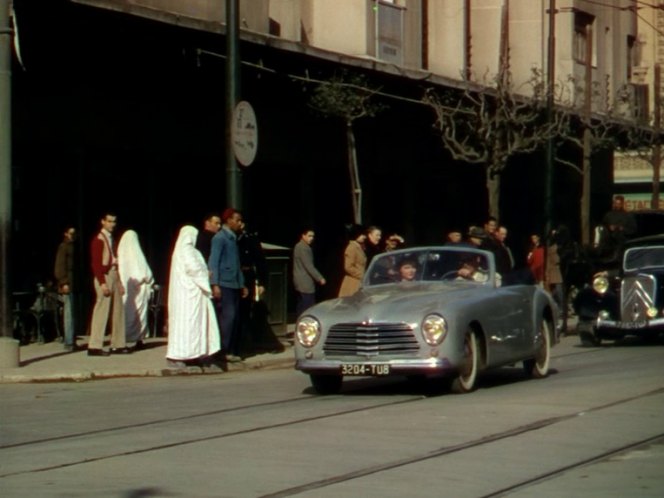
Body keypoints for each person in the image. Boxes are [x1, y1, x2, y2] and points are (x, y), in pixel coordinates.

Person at [166, 226, 221, 368]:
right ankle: (180, 355)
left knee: (193, 326)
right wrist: (206, 275)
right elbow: (194, 269)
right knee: (188, 325)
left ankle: (194, 354)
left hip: (192, 296)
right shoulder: (186, 251)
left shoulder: (184, 252)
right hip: (188, 297)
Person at [88, 212, 131, 356]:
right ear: (103, 222)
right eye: (109, 221)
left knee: (118, 310)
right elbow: (96, 264)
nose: (112, 224)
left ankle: (118, 343)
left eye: (114, 221)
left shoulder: (111, 239)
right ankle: (95, 345)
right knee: (102, 310)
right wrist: (102, 283)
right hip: (104, 275)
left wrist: (118, 282)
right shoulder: (98, 240)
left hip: (113, 274)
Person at [209, 208, 248, 362]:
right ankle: (223, 350)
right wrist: (215, 284)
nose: (240, 223)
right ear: (229, 220)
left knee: (235, 317)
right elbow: (214, 262)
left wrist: (242, 284)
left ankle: (231, 349)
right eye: (237, 220)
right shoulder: (220, 238)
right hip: (224, 283)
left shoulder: (233, 238)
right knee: (228, 317)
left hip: (234, 283)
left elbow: (236, 263)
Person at [118, 229, 154, 351]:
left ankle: (123, 339)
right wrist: (148, 278)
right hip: (138, 289)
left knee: (127, 314)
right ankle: (138, 338)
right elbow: (142, 272)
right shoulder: (136, 253)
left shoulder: (121, 252)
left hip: (127, 290)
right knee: (138, 315)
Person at [237, 220, 268, 355]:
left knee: (246, 309)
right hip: (234, 276)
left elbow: (260, 260)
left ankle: (245, 343)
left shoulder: (250, 239)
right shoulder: (230, 238)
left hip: (247, 275)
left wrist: (262, 282)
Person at [54, 226, 78, 351]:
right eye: (70, 233)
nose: (73, 236)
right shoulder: (63, 247)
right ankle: (69, 341)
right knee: (68, 313)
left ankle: (71, 339)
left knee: (72, 313)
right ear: (65, 234)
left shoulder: (73, 247)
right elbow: (59, 266)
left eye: (74, 233)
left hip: (73, 283)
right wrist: (63, 282)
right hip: (67, 283)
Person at [293, 228, 326, 316]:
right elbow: (308, 266)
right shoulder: (303, 248)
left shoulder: (300, 246)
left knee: (301, 305)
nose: (311, 238)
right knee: (307, 306)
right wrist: (320, 278)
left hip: (300, 281)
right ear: (303, 236)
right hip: (305, 282)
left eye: (312, 236)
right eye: (309, 236)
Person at [338, 224, 367, 297]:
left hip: (359, 282)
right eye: (361, 234)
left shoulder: (360, 247)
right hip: (353, 283)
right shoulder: (351, 248)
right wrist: (362, 275)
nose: (364, 237)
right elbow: (348, 267)